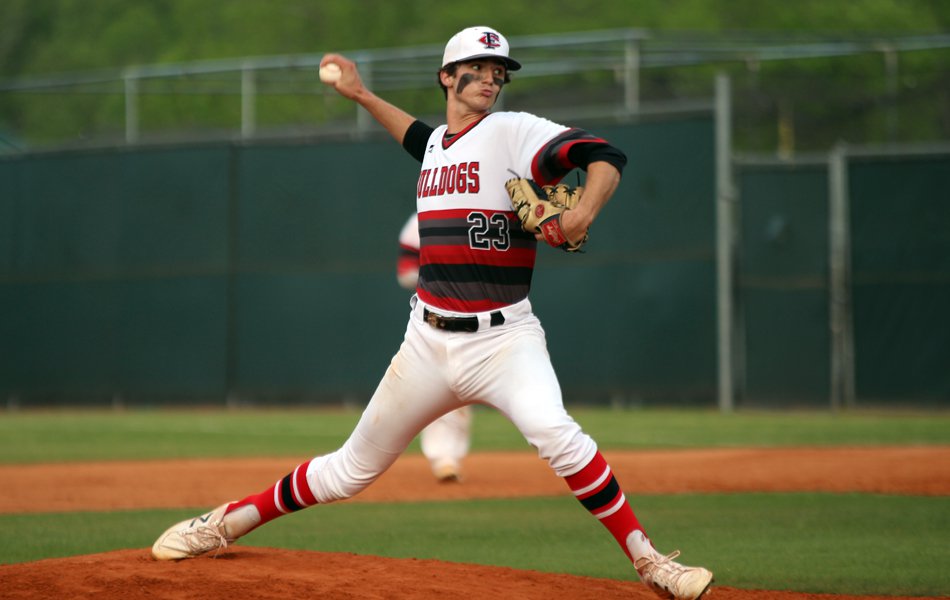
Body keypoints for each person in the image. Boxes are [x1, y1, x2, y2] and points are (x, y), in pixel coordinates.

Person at [151, 25, 713, 600]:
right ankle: (225, 524)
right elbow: (420, 137)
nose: (492, 78)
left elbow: (604, 156)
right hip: (426, 340)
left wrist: (581, 213)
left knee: (556, 433)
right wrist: (363, 96)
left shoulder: (513, 132)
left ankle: (651, 563)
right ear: (447, 76)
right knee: (348, 471)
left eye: (500, 71)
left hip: (504, 340)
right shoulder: (440, 145)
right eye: (479, 67)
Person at [398, 212, 473, 483]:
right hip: (436, 317)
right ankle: (444, 457)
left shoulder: (487, 209)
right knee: (444, 385)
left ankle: (551, 438)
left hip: (487, 316)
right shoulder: (422, 218)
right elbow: (405, 272)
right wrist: (442, 275)